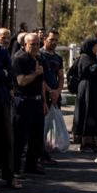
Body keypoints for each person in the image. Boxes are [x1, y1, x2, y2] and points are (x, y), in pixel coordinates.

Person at [11, 33, 47, 176]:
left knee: (36, 137)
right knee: (20, 138)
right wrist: (36, 74)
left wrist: (44, 102)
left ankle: (31, 165)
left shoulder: (38, 59)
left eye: (38, 44)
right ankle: (15, 169)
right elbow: (21, 81)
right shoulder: (19, 59)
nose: (36, 47)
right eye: (32, 44)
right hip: (23, 102)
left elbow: (41, 83)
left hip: (37, 102)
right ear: (24, 45)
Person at [0, 21, 21, 193]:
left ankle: (9, 176)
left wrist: (4, 75)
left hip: (1, 99)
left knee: (6, 140)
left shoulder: (2, 52)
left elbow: (10, 74)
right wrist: (1, 74)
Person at [72, 37, 97, 152]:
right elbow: (92, 70)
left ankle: (92, 143)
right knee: (87, 116)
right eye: (95, 46)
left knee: (94, 116)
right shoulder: (84, 57)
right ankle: (85, 144)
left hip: (94, 92)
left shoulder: (92, 57)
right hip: (87, 92)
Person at [39, 29, 64, 164]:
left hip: (55, 95)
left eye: (56, 40)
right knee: (41, 125)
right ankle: (40, 153)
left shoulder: (58, 58)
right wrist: (49, 91)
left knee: (50, 125)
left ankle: (46, 152)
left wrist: (58, 91)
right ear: (45, 40)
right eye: (51, 40)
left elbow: (60, 76)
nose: (53, 42)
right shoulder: (40, 56)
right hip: (44, 94)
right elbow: (40, 78)